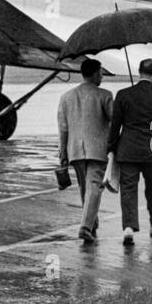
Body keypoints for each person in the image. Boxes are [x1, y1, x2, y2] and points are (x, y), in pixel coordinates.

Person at [105, 58, 152, 245]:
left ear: (139, 71)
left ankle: (129, 227)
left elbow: (115, 124)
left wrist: (110, 147)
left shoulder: (123, 95)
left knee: (128, 189)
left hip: (128, 148)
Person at [57, 58, 113, 244]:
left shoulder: (66, 97)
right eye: (101, 73)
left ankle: (91, 223)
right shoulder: (105, 95)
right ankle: (86, 227)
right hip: (97, 149)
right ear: (96, 73)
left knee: (85, 188)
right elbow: (114, 120)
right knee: (95, 187)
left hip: (74, 150)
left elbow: (63, 128)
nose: (102, 76)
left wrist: (62, 154)